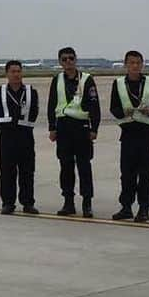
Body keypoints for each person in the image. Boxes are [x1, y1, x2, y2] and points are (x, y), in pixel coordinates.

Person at [109, 50, 149, 223]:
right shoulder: (117, 84)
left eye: (138, 63)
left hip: (146, 134)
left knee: (146, 174)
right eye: (131, 63)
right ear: (125, 64)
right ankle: (126, 207)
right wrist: (122, 113)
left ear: (142, 64)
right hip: (128, 134)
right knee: (127, 174)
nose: (135, 66)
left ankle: (144, 208)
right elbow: (114, 108)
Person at [47, 47, 100, 217]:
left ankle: (87, 203)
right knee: (65, 166)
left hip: (82, 127)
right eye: (64, 59)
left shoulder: (87, 79)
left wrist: (94, 128)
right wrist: (52, 127)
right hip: (63, 128)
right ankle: (68, 202)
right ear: (60, 62)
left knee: (84, 166)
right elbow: (52, 104)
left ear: (76, 59)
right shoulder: (57, 80)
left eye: (71, 58)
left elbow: (94, 105)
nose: (68, 62)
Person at [0, 60, 40, 214]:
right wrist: (7, 127)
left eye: (18, 71)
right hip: (7, 137)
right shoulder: (0, 92)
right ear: (7, 74)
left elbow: (34, 112)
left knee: (27, 171)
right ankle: (8, 203)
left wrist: (22, 125)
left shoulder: (31, 91)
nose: (16, 74)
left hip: (25, 136)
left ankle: (28, 203)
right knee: (7, 171)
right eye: (13, 71)